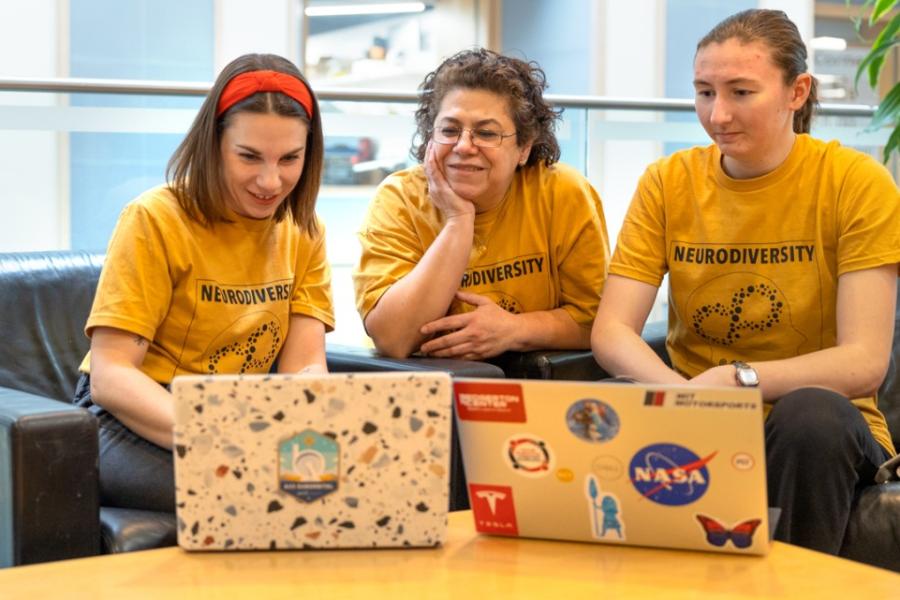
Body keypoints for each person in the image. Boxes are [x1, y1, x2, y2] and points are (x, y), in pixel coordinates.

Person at [591, 9, 899, 555]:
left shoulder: (855, 183)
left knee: (812, 415)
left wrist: (737, 381)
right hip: (694, 411)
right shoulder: (667, 181)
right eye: (705, 92)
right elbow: (612, 330)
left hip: (819, 428)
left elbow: (864, 361)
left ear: (796, 91)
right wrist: (678, 395)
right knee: (605, 406)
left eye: (741, 92)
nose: (718, 114)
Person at [73, 53, 334, 513]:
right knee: (258, 494)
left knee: (330, 487)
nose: (270, 181)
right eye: (249, 156)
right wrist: (226, 441)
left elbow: (303, 370)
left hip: (241, 419)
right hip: (130, 415)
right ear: (213, 144)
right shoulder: (155, 217)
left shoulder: (304, 230)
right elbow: (111, 377)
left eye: (290, 158)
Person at [354, 48, 610, 359]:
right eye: (449, 130)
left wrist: (515, 330)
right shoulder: (399, 199)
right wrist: (458, 220)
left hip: (536, 389)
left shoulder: (563, 193)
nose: (463, 146)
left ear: (524, 148)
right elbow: (392, 338)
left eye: (486, 133)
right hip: (434, 389)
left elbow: (600, 323)